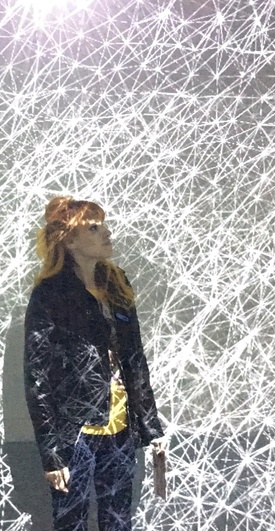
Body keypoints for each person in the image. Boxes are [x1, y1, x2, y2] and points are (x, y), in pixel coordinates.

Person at [24, 196, 166, 531]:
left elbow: (134, 358)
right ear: (69, 240)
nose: (106, 232)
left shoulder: (117, 285)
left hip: (120, 427)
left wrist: (151, 424)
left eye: (103, 225)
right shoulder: (50, 295)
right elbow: (37, 378)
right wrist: (52, 452)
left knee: (118, 520)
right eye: (93, 228)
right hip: (74, 431)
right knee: (71, 522)